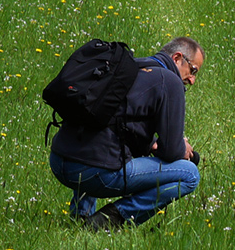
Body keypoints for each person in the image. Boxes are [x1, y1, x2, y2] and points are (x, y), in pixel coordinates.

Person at [48, 37, 205, 231]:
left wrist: (152, 143)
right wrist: (183, 148)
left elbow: (117, 122)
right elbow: (172, 152)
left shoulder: (130, 67)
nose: (192, 80)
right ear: (177, 57)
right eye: (193, 70)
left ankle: (81, 215)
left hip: (59, 160)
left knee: (98, 138)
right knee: (189, 174)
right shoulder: (170, 81)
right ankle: (106, 222)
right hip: (93, 174)